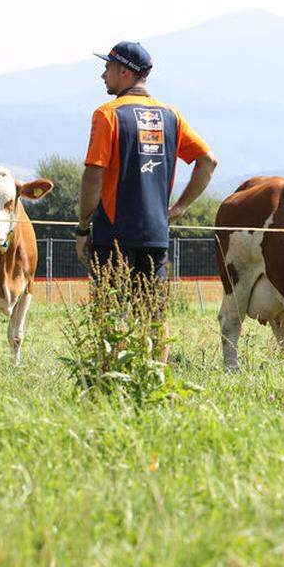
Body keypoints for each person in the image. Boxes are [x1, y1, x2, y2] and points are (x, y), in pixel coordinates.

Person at [75, 41, 218, 361]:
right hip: (156, 232)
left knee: (110, 313)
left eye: (108, 68)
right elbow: (208, 161)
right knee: (154, 315)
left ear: (125, 72)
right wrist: (179, 208)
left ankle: (109, 381)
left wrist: (83, 227)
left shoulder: (107, 114)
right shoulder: (172, 116)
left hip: (113, 232)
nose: (103, 75)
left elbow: (93, 175)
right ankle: (156, 379)